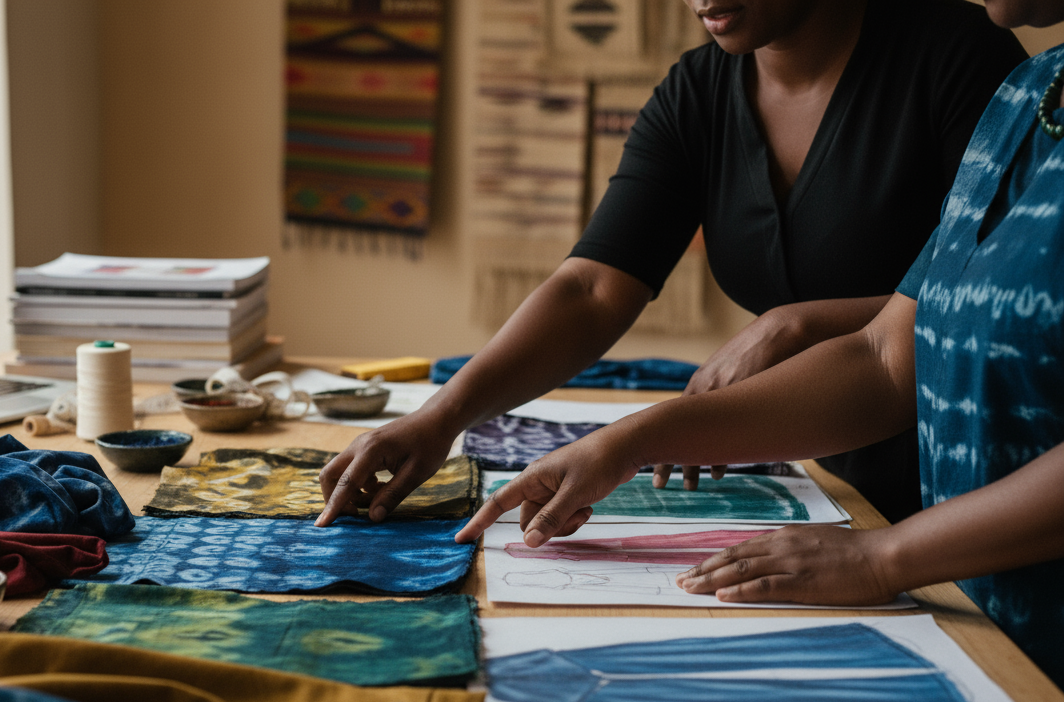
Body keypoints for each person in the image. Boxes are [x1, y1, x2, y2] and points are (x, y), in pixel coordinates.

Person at [456, 0, 1064, 683]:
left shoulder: (964, 57)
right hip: (969, 585)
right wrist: (632, 439)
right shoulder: (1030, 94)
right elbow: (890, 353)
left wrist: (884, 556)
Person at [316, 0, 1027, 526]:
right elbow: (593, 286)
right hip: (819, 473)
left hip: (959, 483)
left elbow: (998, 295)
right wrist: (442, 417)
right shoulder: (697, 93)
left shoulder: (960, 58)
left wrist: (798, 325)